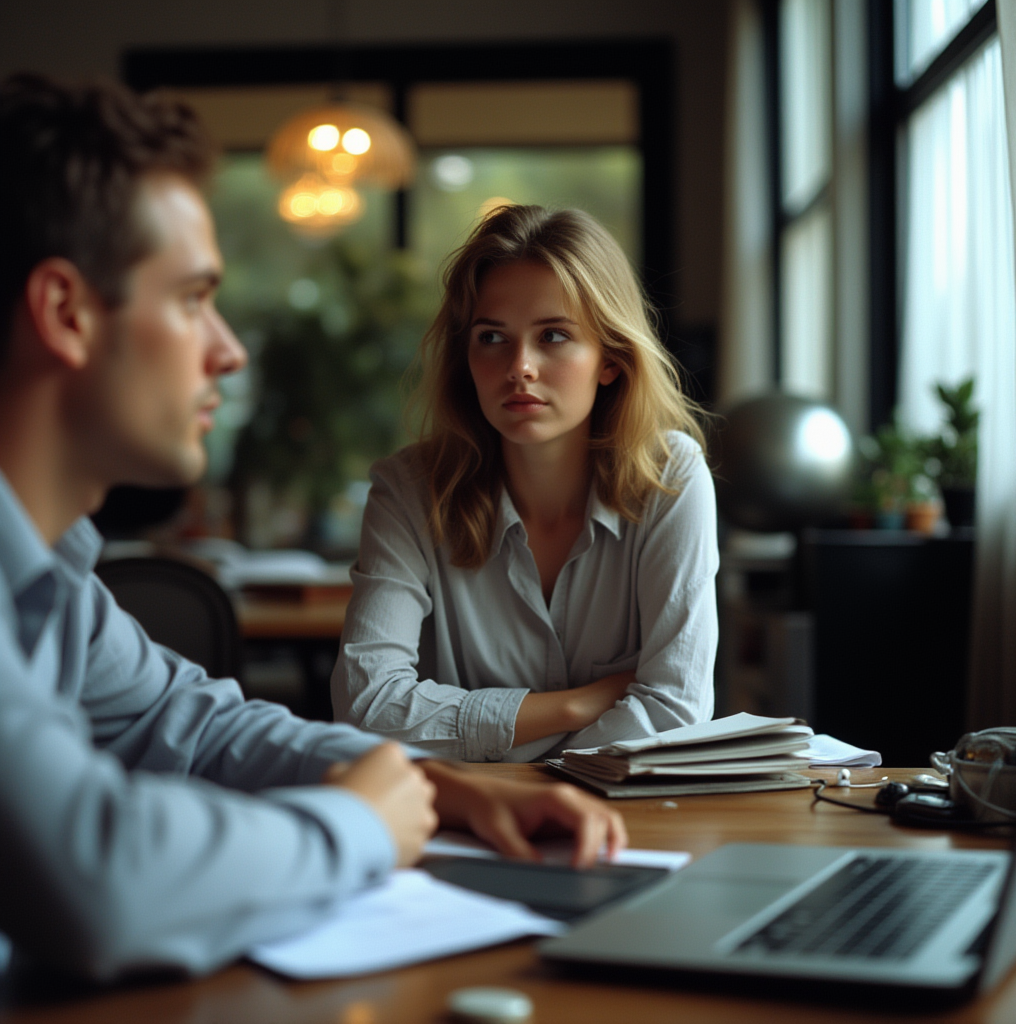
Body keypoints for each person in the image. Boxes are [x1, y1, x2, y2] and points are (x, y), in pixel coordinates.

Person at [0, 74, 626, 981]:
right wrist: (359, 824)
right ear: (65, 313)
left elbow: (193, 726)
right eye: (191, 299)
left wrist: (433, 786)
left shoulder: (52, 582)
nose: (230, 348)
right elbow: (98, 882)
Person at [332, 205, 719, 762]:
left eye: (554, 336)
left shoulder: (669, 478)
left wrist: (500, 754)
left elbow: (674, 710)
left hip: (626, 823)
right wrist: (576, 705)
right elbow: (365, 708)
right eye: (492, 337)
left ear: (610, 359)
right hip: (466, 826)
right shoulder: (409, 490)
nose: (520, 367)